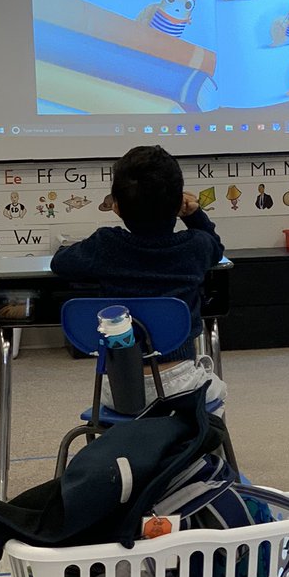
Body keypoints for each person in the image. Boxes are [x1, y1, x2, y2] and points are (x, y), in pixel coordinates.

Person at [51, 144, 227, 407]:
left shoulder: (106, 245)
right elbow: (216, 248)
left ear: (117, 207)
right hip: (182, 386)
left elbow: (60, 263)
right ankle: (198, 443)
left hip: (121, 391)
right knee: (219, 392)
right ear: (179, 201)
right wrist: (194, 215)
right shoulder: (196, 246)